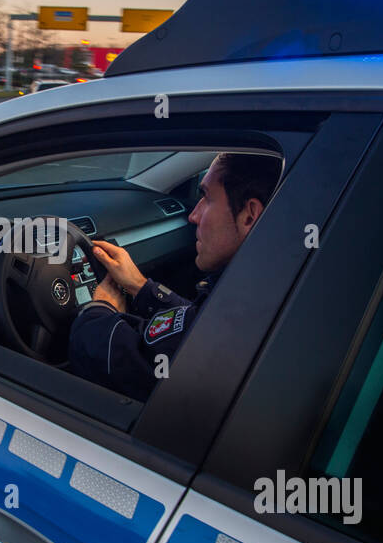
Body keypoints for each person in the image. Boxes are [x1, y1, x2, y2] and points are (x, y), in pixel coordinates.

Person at [69, 152, 279, 400]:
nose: (193, 215)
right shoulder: (269, 285)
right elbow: (193, 323)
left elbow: (125, 360)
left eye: (207, 199)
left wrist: (99, 310)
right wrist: (141, 287)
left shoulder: (240, 312)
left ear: (249, 216)